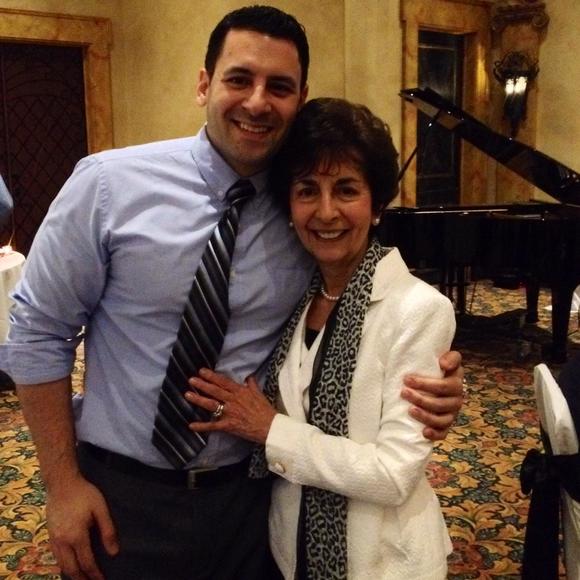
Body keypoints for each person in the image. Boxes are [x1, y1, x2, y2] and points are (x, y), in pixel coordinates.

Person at [0, 6, 463, 580]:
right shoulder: (107, 185)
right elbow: (38, 333)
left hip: (253, 502)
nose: (257, 102)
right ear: (204, 84)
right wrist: (61, 483)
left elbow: (364, 321)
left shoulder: (301, 212)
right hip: (122, 495)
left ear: (300, 99)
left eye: (280, 87)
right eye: (239, 79)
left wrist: (431, 383)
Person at [186, 98, 455, 580]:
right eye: (307, 190)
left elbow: (394, 474)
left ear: (376, 205)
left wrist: (270, 430)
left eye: (346, 190)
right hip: (291, 551)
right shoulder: (293, 297)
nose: (326, 212)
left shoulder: (418, 310)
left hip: (382, 561)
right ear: (289, 207)